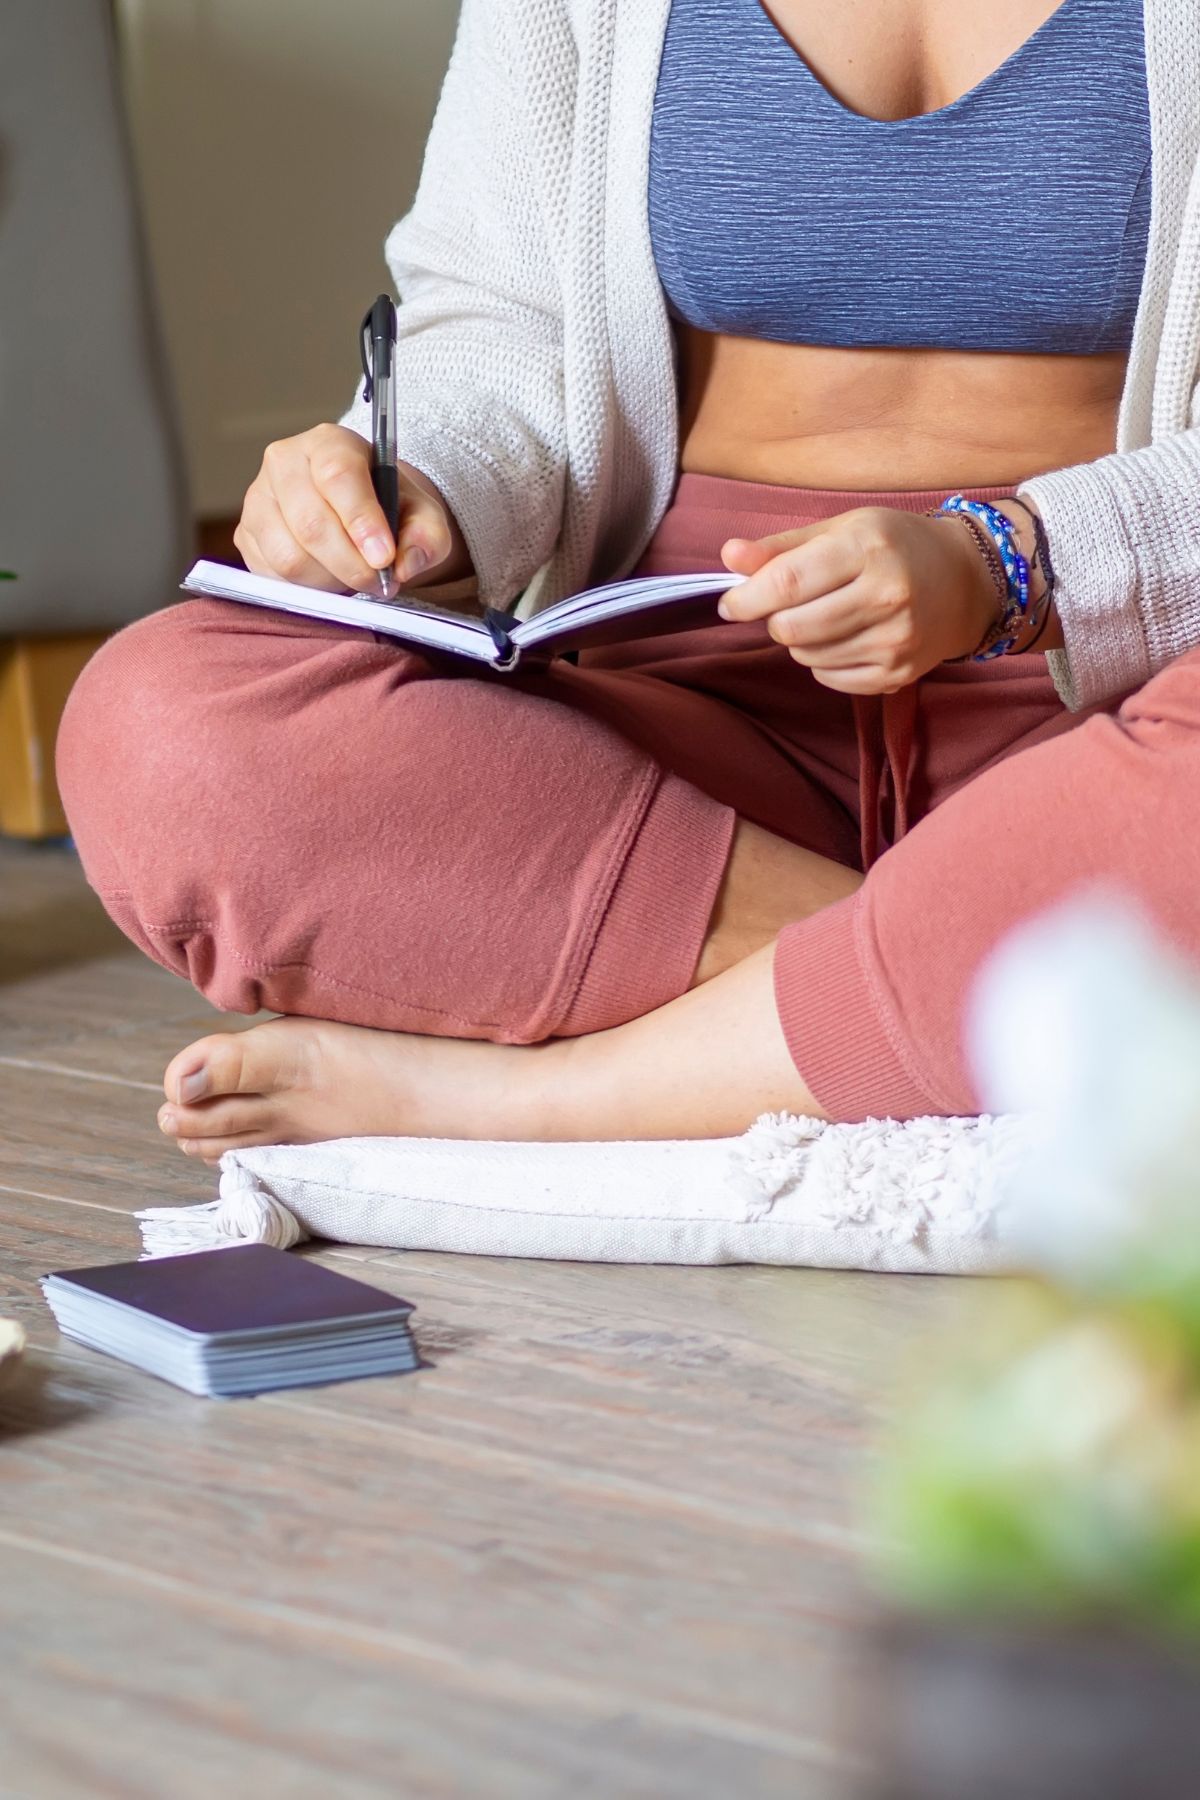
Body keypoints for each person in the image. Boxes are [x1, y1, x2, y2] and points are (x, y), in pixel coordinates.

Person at [58, 0, 1200, 1162]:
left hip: (1114, 712)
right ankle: (992, 997)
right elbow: (498, 315)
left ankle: (556, 1092)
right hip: (701, 735)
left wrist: (1010, 562)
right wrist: (416, 491)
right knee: (156, 730)